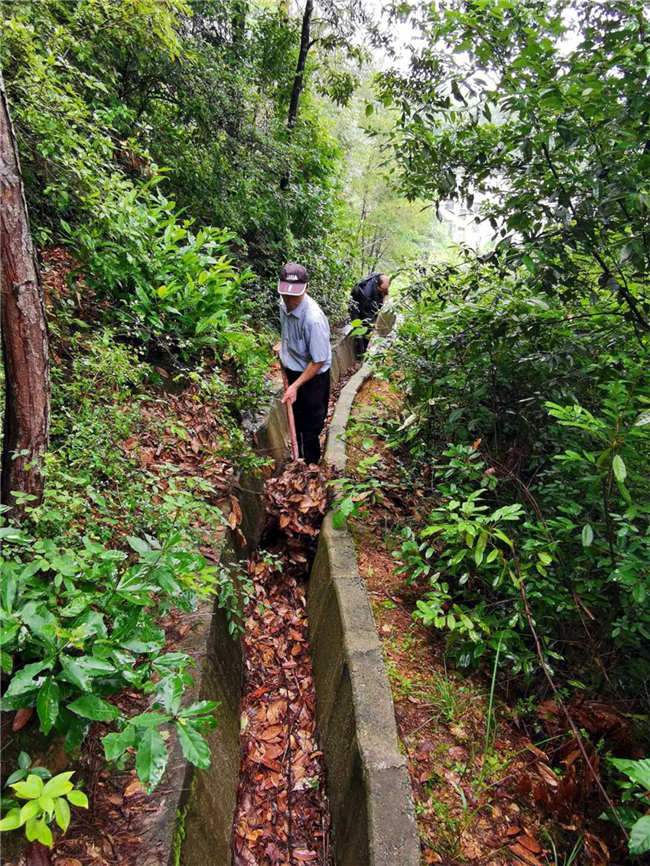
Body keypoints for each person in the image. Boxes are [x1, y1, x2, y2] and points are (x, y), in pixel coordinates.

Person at [275, 262, 331, 465]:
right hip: (293, 370)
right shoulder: (283, 304)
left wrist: (296, 386)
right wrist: (283, 346)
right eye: (285, 294)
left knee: (310, 426)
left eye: (295, 295)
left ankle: (310, 467)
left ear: (306, 288)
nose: (289, 300)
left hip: (313, 377)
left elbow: (319, 360)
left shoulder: (313, 319)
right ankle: (297, 458)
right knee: (297, 421)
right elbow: (288, 329)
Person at [349, 273, 390, 359]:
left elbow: (385, 295)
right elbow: (368, 317)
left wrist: (384, 301)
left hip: (369, 304)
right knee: (361, 331)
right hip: (357, 308)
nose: (384, 292)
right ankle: (361, 356)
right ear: (377, 285)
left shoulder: (380, 279)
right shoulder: (366, 293)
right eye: (382, 290)